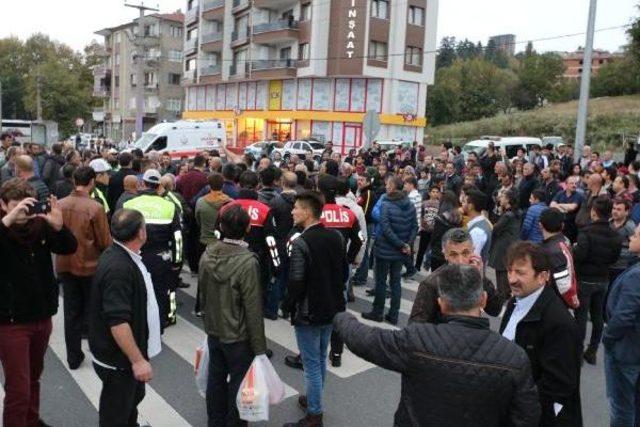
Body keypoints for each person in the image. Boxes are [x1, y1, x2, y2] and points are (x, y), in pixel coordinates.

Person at [335, 264, 540, 427]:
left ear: (441, 304)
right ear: (483, 299)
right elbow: (527, 417)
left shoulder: (418, 340)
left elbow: (363, 339)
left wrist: (340, 314)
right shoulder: (515, 357)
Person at [0, 179, 77, 427]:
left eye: (27, 206)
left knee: (33, 378)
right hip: (10, 321)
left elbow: (68, 248)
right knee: (18, 387)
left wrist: (59, 227)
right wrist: (7, 221)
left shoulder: (39, 226)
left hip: (41, 316)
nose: (23, 212)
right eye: (16, 206)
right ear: (3, 205)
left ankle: (31, 421)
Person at [89, 209, 162, 427]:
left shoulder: (121, 255)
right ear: (141, 232)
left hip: (122, 359)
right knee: (115, 414)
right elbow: (118, 321)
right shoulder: (119, 268)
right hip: (118, 361)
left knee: (130, 403)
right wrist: (138, 360)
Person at [282, 191, 348, 427]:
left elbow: (296, 282)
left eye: (296, 208)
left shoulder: (301, 242)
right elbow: (343, 273)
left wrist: (287, 304)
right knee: (320, 359)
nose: (292, 211)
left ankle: (314, 415)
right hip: (331, 308)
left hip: (309, 312)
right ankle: (313, 400)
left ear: (308, 212)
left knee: (311, 364)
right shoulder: (337, 237)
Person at [500, 242, 582, 427]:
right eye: (509, 271)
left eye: (520, 273)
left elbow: (559, 384)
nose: (511, 279)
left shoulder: (559, 323)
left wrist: (516, 401)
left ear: (543, 277)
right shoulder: (516, 302)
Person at [199, 204, 267, 426]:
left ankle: (215, 421)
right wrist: (259, 348)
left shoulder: (207, 253)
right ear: (248, 228)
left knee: (215, 381)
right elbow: (253, 308)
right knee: (240, 385)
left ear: (220, 226)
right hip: (238, 336)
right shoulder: (248, 262)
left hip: (214, 330)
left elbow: (203, 294)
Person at [56, 166, 112, 370]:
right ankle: (97, 352)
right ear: (91, 182)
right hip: (89, 265)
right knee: (93, 309)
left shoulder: (60, 205)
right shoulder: (95, 207)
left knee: (71, 312)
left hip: (65, 264)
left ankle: (73, 356)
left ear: (73, 181)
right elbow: (105, 240)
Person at [124, 169, 183, 328]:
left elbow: (119, 232)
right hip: (160, 257)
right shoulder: (169, 206)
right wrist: (177, 261)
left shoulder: (129, 204)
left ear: (143, 184)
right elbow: (177, 237)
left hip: (134, 255)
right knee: (162, 290)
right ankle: (162, 321)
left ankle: (137, 320)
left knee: (136, 291)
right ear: (159, 186)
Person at [574, 195, 622, 365]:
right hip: (602, 279)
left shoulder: (586, 232)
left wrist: (574, 249)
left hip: (584, 279)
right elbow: (615, 258)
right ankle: (592, 350)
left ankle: (578, 352)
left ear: (594, 212)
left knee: (580, 316)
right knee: (597, 316)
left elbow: (579, 255)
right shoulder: (615, 236)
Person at [363, 176, 416, 325]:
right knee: (395, 282)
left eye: (388, 185)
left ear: (393, 187)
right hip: (400, 251)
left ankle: (377, 312)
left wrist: (401, 244)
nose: (386, 187)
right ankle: (393, 315)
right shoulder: (410, 205)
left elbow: (385, 228)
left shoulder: (386, 204)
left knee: (380, 282)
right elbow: (414, 227)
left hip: (385, 248)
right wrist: (406, 245)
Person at [602, 224, 640, 427]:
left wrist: (608, 336)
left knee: (622, 406)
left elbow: (625, 316)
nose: (632, 237)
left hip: (625, 349)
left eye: (637, 235)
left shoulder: (636, 275)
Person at [539, 208, 579, 309]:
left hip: (553, 302)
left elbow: (563, 284)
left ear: (540, 225)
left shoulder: (551, 251)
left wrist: (572, 301)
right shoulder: (565, 241)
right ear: (562, 225)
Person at [489, 188, 521, 301]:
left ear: (508, 200)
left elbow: (495, 228)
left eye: (502, 197)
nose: (499, 198)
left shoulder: (508, 215)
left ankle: (502, 295)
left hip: (503, 246)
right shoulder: (516, 212)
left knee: (501, 271)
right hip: (511, 244)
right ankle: (505, 293)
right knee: (506, 270)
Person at [429, 190, 463, 271]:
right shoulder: (458, 217)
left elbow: (435, 237)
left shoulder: (440, 218)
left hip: (438, 252)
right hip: (452, 252)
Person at [609, 198, 636, 285]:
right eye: (614, 208)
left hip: (621, 267)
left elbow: (635, 248)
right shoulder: (608, 223)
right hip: (608, 265)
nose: (615, 211)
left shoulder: (630, 227)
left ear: (626, 212)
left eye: (619, 209)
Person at [461, 188, 492, 264]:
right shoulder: (480, 224)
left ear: (471, 206)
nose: (462, 203)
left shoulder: (477, 232)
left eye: (464, 201)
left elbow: (472, 259)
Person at [550, 175, 584, 242]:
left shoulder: (579, 195)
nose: (574, 185)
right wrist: (564, 208)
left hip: (572, 228)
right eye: (572, 183)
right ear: (566, 184)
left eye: (575, 183)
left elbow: (572, 207)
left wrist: (559, 205)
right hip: (559, 226)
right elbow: (551, 205)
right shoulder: (560, 193)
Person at [402, 176, 422, 278]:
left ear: (411, 185)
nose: (404, 186)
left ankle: (410, 269)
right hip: (415, 225)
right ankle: (410, 268)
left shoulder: (412, 197)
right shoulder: (417, 195)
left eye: (406, 184)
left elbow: (407, 212)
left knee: (405, 247)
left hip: (410, 225)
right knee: (409, 247)